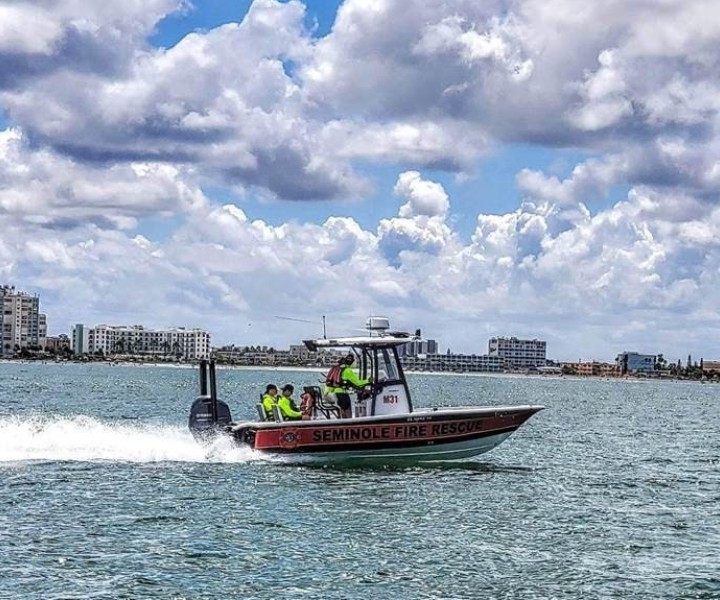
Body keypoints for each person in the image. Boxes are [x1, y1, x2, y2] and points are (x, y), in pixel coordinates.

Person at [325, 354, 369, 418]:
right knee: (347, 409)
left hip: (333, 393)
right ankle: (349, 423)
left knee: (342, 409)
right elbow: (358, 383)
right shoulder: (347, 370)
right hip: (342, 393)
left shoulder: (336, 369)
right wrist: (369, 381)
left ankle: (342, 422)